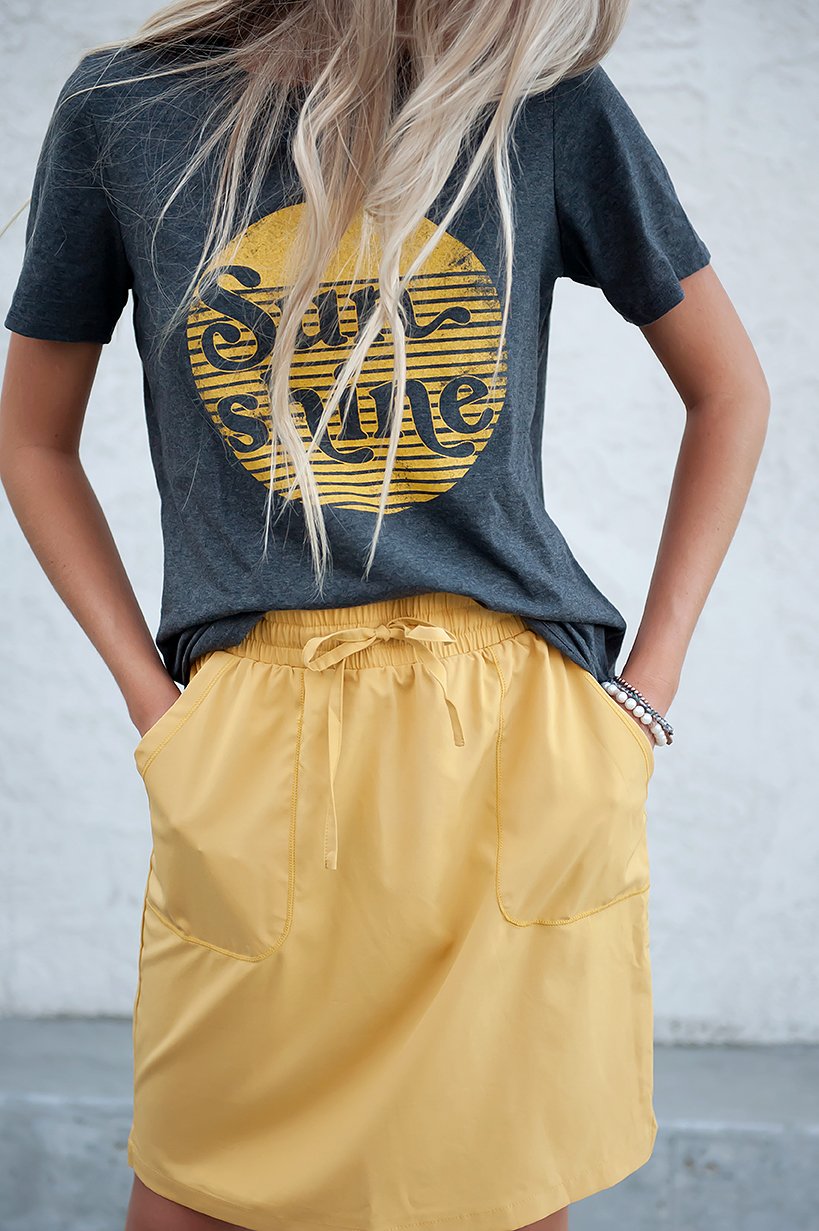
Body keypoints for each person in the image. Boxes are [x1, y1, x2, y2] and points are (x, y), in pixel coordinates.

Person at [0, 1, 770, 1229]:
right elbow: (32, 440)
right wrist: (159, 708)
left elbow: (730, 391)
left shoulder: (537, 106)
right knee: (195, 1186)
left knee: (500, 1189)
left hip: (515, 742)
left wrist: (641, 700)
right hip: (257, 743)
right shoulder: (128, 110)